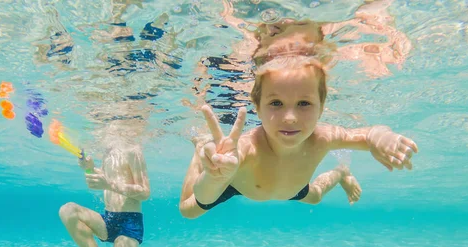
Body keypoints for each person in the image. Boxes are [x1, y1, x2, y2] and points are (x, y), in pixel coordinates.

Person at [179, 55, 417, 219]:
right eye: (276, 103)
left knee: (313, 197)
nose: (290, 117)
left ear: (321, 107)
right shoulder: (245, 148)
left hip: (291, 186)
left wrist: (380, 136)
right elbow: (204, 196)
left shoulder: (323, 137)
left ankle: (341, 172)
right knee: (188, 211)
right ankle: (199, 147)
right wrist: (215, 177)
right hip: (233, 179)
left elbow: (367, 134)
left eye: (304, 103)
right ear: (258, 108)